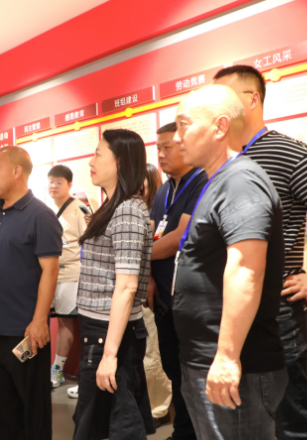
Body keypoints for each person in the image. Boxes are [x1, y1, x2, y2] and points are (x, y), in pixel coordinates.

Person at [215, 65, 307, 440]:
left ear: (252, 100)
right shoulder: (224, 159)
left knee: (291, 421)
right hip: (230, 309)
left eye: (223, 96)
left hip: (276, 312)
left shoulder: (287, 152)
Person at [172, 85, 286, 440]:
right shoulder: (219, 181)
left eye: (184, 125)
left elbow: (247, 268)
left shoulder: (240, 180)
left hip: (236, 365)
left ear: (220, 127)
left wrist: (226, 355)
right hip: (207, 359)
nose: (176, 138)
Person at [0, 147, 62, 440]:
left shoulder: (41, 215)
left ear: (17, 171)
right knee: (4, 407)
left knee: (32, 409)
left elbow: (50, 271)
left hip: (24, 332)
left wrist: (39, 321)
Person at [71, 129, 155, 440]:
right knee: (103, 421)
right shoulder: (114, 207)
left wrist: (109, 354)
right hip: (102, 329)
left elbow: (127, 286)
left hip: (110, 332)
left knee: (117, 423)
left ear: (119, 161)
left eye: (97, 154)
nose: (90, 162)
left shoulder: (128, 210)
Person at [148, 122, 207, 440]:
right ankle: (184, 431)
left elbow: (177, 239)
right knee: (174, 369)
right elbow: (152, 234)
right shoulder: (163, 190)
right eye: (158, 148)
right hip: (163, 299)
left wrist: (136, 259)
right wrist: (147, 275)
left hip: (191, 300)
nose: (161, 154)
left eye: (167, 147)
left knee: (194, 373)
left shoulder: (202, 181)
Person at [46, 165, 88, 389]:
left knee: (66, 324)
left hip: (72, 275)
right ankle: (52, 370)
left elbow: (88, 243)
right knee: (51, 322)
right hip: (51, 275)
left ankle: (57, 372)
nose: (53, 186)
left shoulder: (79, 208)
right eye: (51, 181)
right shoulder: (49, 209)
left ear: (69, 184)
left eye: (59, 182)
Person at [139, 162, 173, 425]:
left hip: (155, 294)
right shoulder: (139, 210)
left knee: (154, 352)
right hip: (137, 293)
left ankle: (158, 409)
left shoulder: (158, 211)